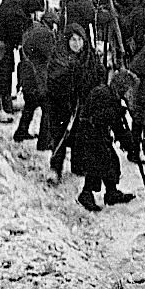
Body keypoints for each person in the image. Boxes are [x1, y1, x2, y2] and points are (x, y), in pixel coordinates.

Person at [42, 22, 105, 180]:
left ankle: (78, 166)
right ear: (66, 41)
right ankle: (55, 168)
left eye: (80, 40)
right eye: (73, 40)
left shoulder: (90, 58)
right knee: (60, 136)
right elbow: (53, 81)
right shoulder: (59, 58)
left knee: (80, 136)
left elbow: (98, 79)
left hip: (82, 105)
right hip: (62, 104)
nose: (77, 44)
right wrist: (71, 80)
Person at [71, 70, 138, 211]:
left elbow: (116, 125)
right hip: (89, 134)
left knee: (112, 161)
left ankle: (112, 193)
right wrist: (117, 113)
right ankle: (86, 194)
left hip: (98, 133)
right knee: (97, 164)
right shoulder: (103, 95)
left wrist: (129, 143)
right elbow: (107, 120)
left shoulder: (110, 96)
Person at [13, 3, 54, 142]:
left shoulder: (33, 28)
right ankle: (44, 141)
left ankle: (21, 132)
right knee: (47, 108)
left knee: (30, 106)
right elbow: (50, 56)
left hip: (26, 75)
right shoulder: (45, 34)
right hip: (36, 78)